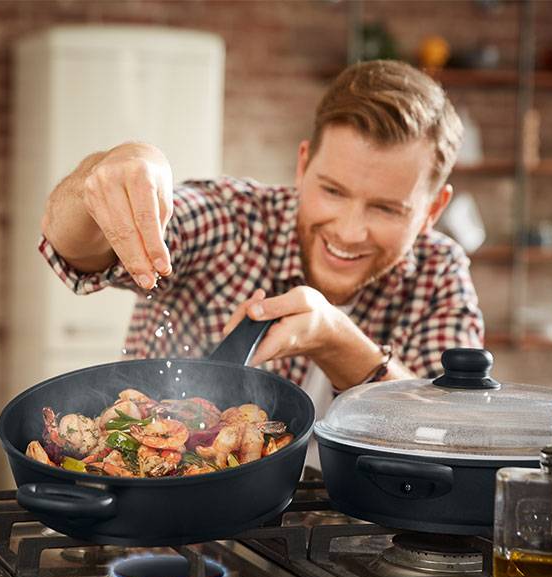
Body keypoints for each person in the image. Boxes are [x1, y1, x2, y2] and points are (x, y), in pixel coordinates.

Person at [39, 59, 484, 464]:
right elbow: (75, 248)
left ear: (432, 210)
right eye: (332, 191)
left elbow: (452, 443)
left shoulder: (439, 273)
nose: (349, 231)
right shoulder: (236, 218)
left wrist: (337, 341)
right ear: (303, 164)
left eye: (387, 209)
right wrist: (107, 173)